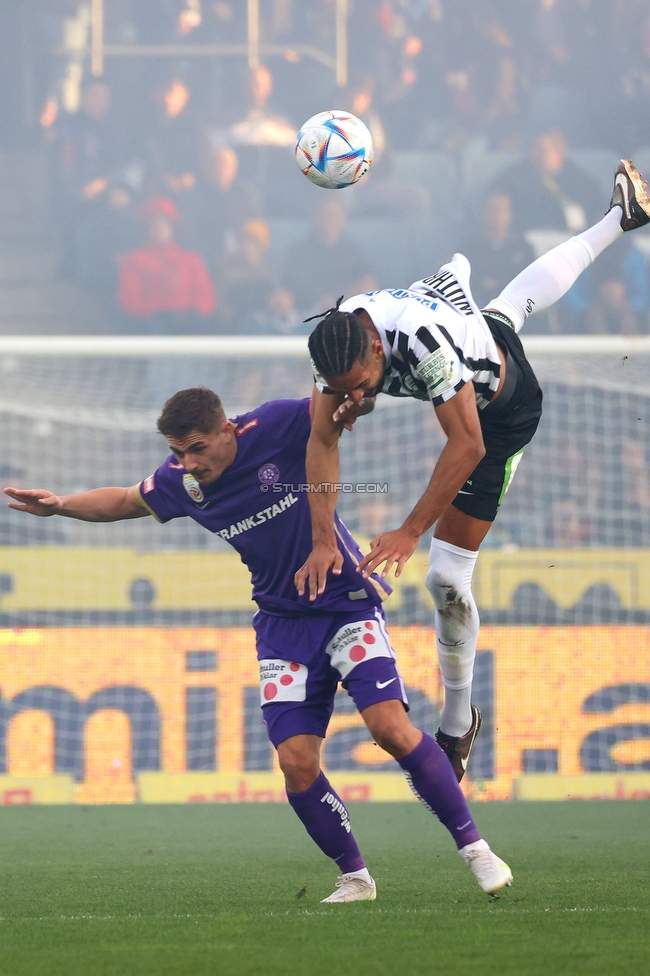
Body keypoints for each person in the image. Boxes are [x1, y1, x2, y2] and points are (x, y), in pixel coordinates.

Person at [5, 388, 512, 902]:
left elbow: (334, 407)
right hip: (281, 626)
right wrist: (61, 506)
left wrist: (354, 403)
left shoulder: (275, 425)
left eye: (196, 449)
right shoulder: (183, 482)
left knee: (389, 728)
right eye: (179, 452)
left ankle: (476, 849)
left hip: (344, 603)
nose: (188, 463)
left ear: (227, 430)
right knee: (296, 763)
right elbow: (125, 500)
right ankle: (356, 876)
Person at [296, 159, 650, 780]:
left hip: (501, 409)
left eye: (360, 386)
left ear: (378, 348)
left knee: (443, 578)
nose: (350, 396)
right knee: (507, 310)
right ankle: (621, 219)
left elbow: (466, 446)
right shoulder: (337, 345)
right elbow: (321, 439)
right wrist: (323, 537)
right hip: (473, 331)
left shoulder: (421, 346)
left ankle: (457, 726)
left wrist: (409, 531)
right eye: (343, 389)